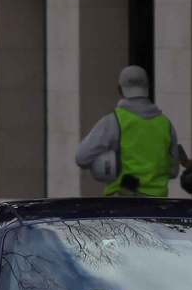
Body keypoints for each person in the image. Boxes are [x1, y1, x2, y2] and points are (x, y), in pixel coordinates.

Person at [73, 65, 183, 197]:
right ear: (147, 87)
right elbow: (173, 171)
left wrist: (106, 163)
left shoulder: (113, 120)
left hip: (123, 201)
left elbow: (81, 158)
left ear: (120, 89)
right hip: (157, 205)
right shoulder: (165, 124)